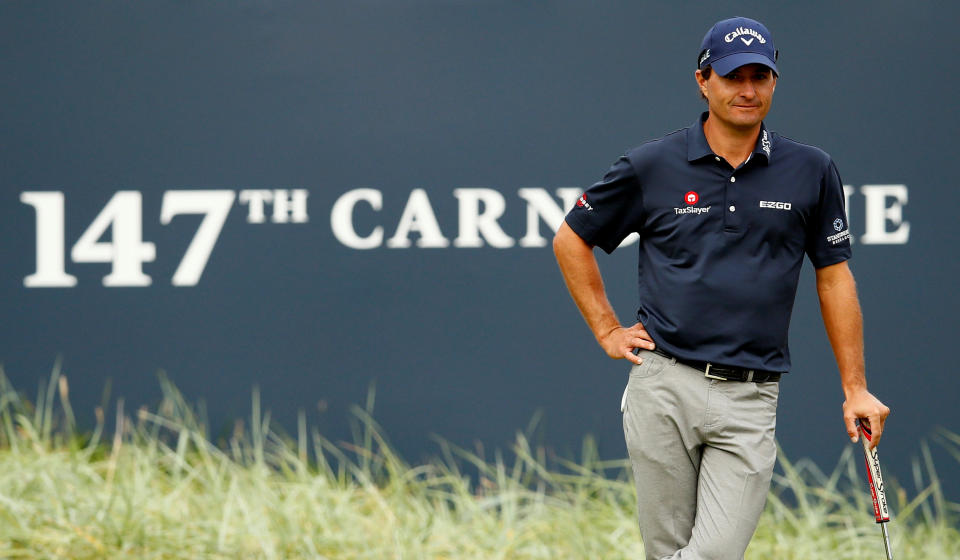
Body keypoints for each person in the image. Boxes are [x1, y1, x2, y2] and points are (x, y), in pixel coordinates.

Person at [552, 16, 890, 559]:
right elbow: (571, 239)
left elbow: (833, 276)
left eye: (761, 76)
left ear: (775, 83)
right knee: (667, 553)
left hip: (750, 397)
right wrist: (608, 330)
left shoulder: (812, 170)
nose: (748, 90)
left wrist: (856, 387)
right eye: (734, 77)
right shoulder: (651, 164)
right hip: (663, 386)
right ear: (703, 80)